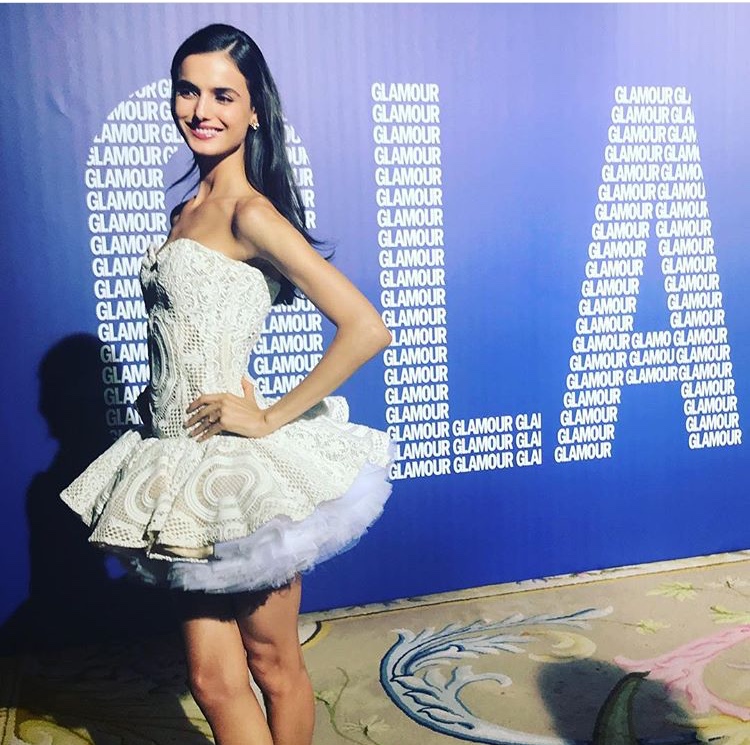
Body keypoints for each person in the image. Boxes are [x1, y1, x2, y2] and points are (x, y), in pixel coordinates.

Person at [61, 23, 393, 745]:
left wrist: (270, 418)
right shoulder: (186, 211)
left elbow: (366, 327)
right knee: (214, 682)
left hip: (233, 471)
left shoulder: (251, 212)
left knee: (273, 664)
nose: (201, 109)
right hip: (176, 458)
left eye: (222, 95)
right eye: (188, 91)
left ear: (254, 112)